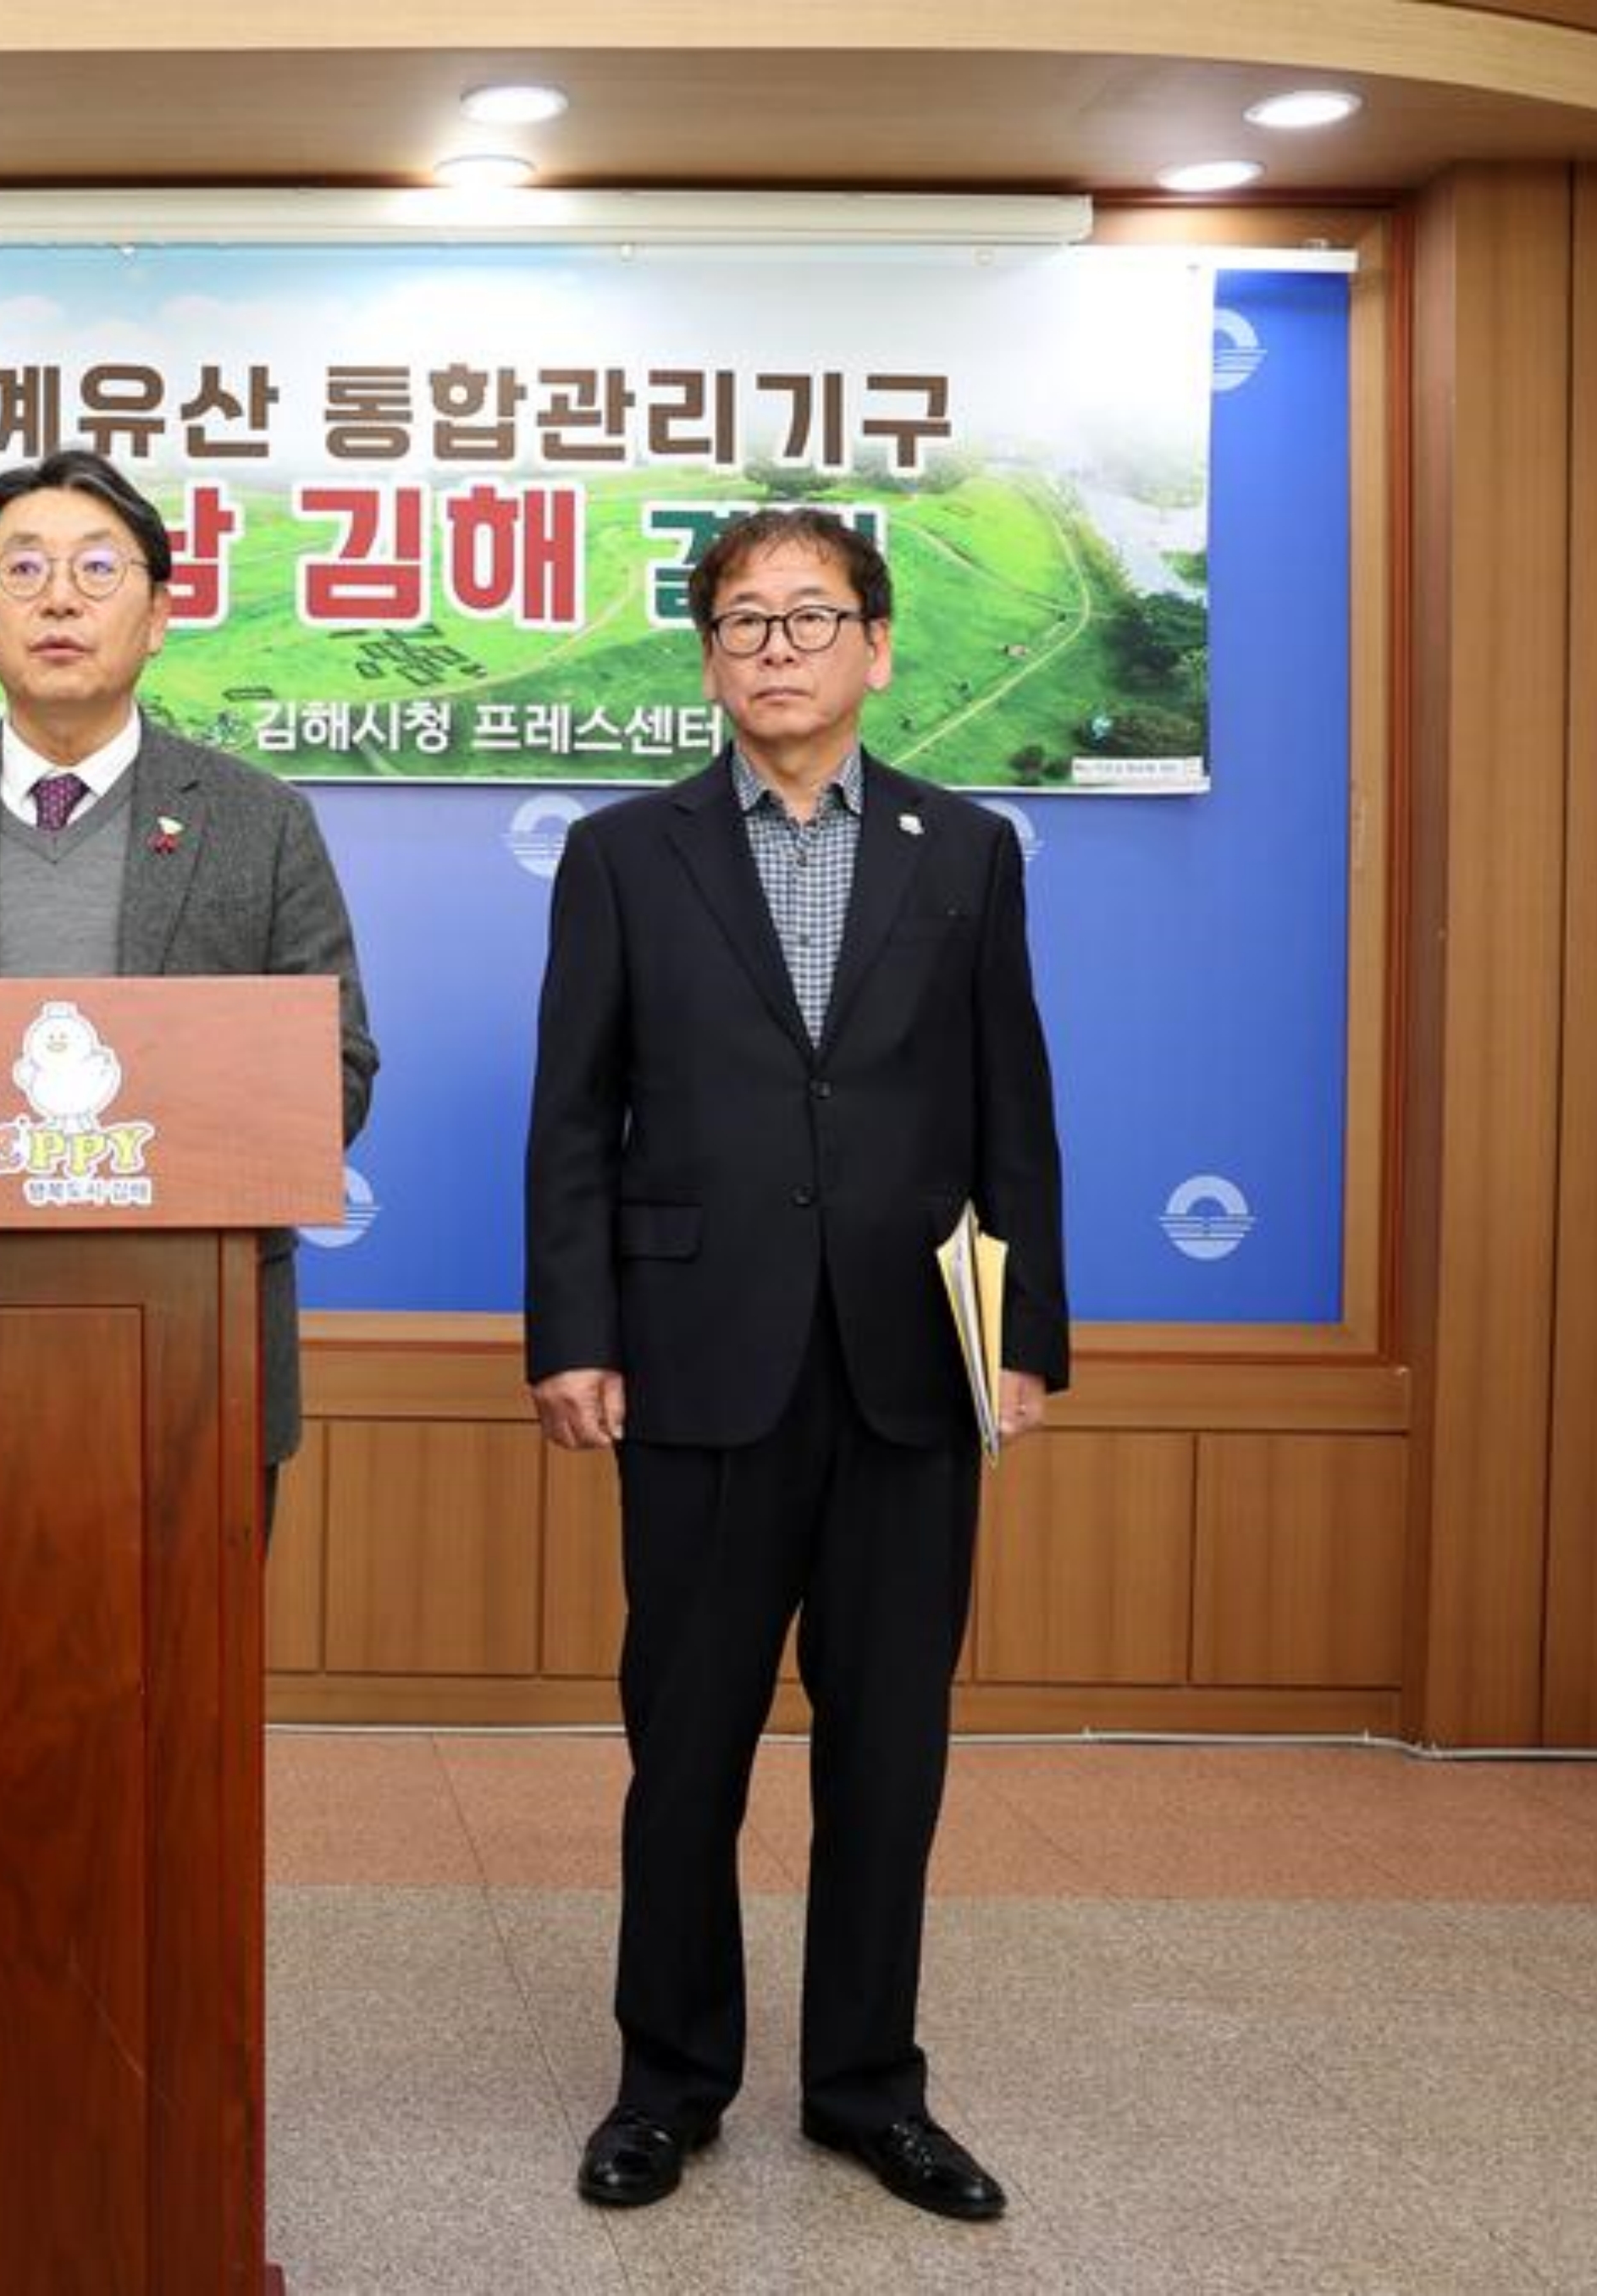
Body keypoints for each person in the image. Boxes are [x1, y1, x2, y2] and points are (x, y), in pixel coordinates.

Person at [522, 508, 1067, 2222]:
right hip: (696, 1359)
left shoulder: (964, 848)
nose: (776, 646)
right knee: (684, 1745)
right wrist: (574, 1332)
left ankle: (864, 2088)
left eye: (809, 616)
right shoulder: (624, 852)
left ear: (876, 648)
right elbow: (572, 1118)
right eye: (742, 620)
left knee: (888, 1749)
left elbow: (1012, 1105)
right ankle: (665, 2083)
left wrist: (1022, 1338)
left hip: (911, 1363)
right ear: (706, 662)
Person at [0, 448, 377, 1487]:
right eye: (23, 569)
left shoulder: (259, 824)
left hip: (196, 1347)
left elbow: (334, 1075)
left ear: (158, 616)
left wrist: (138, 1148)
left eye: (98, 569)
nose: (58, 598)